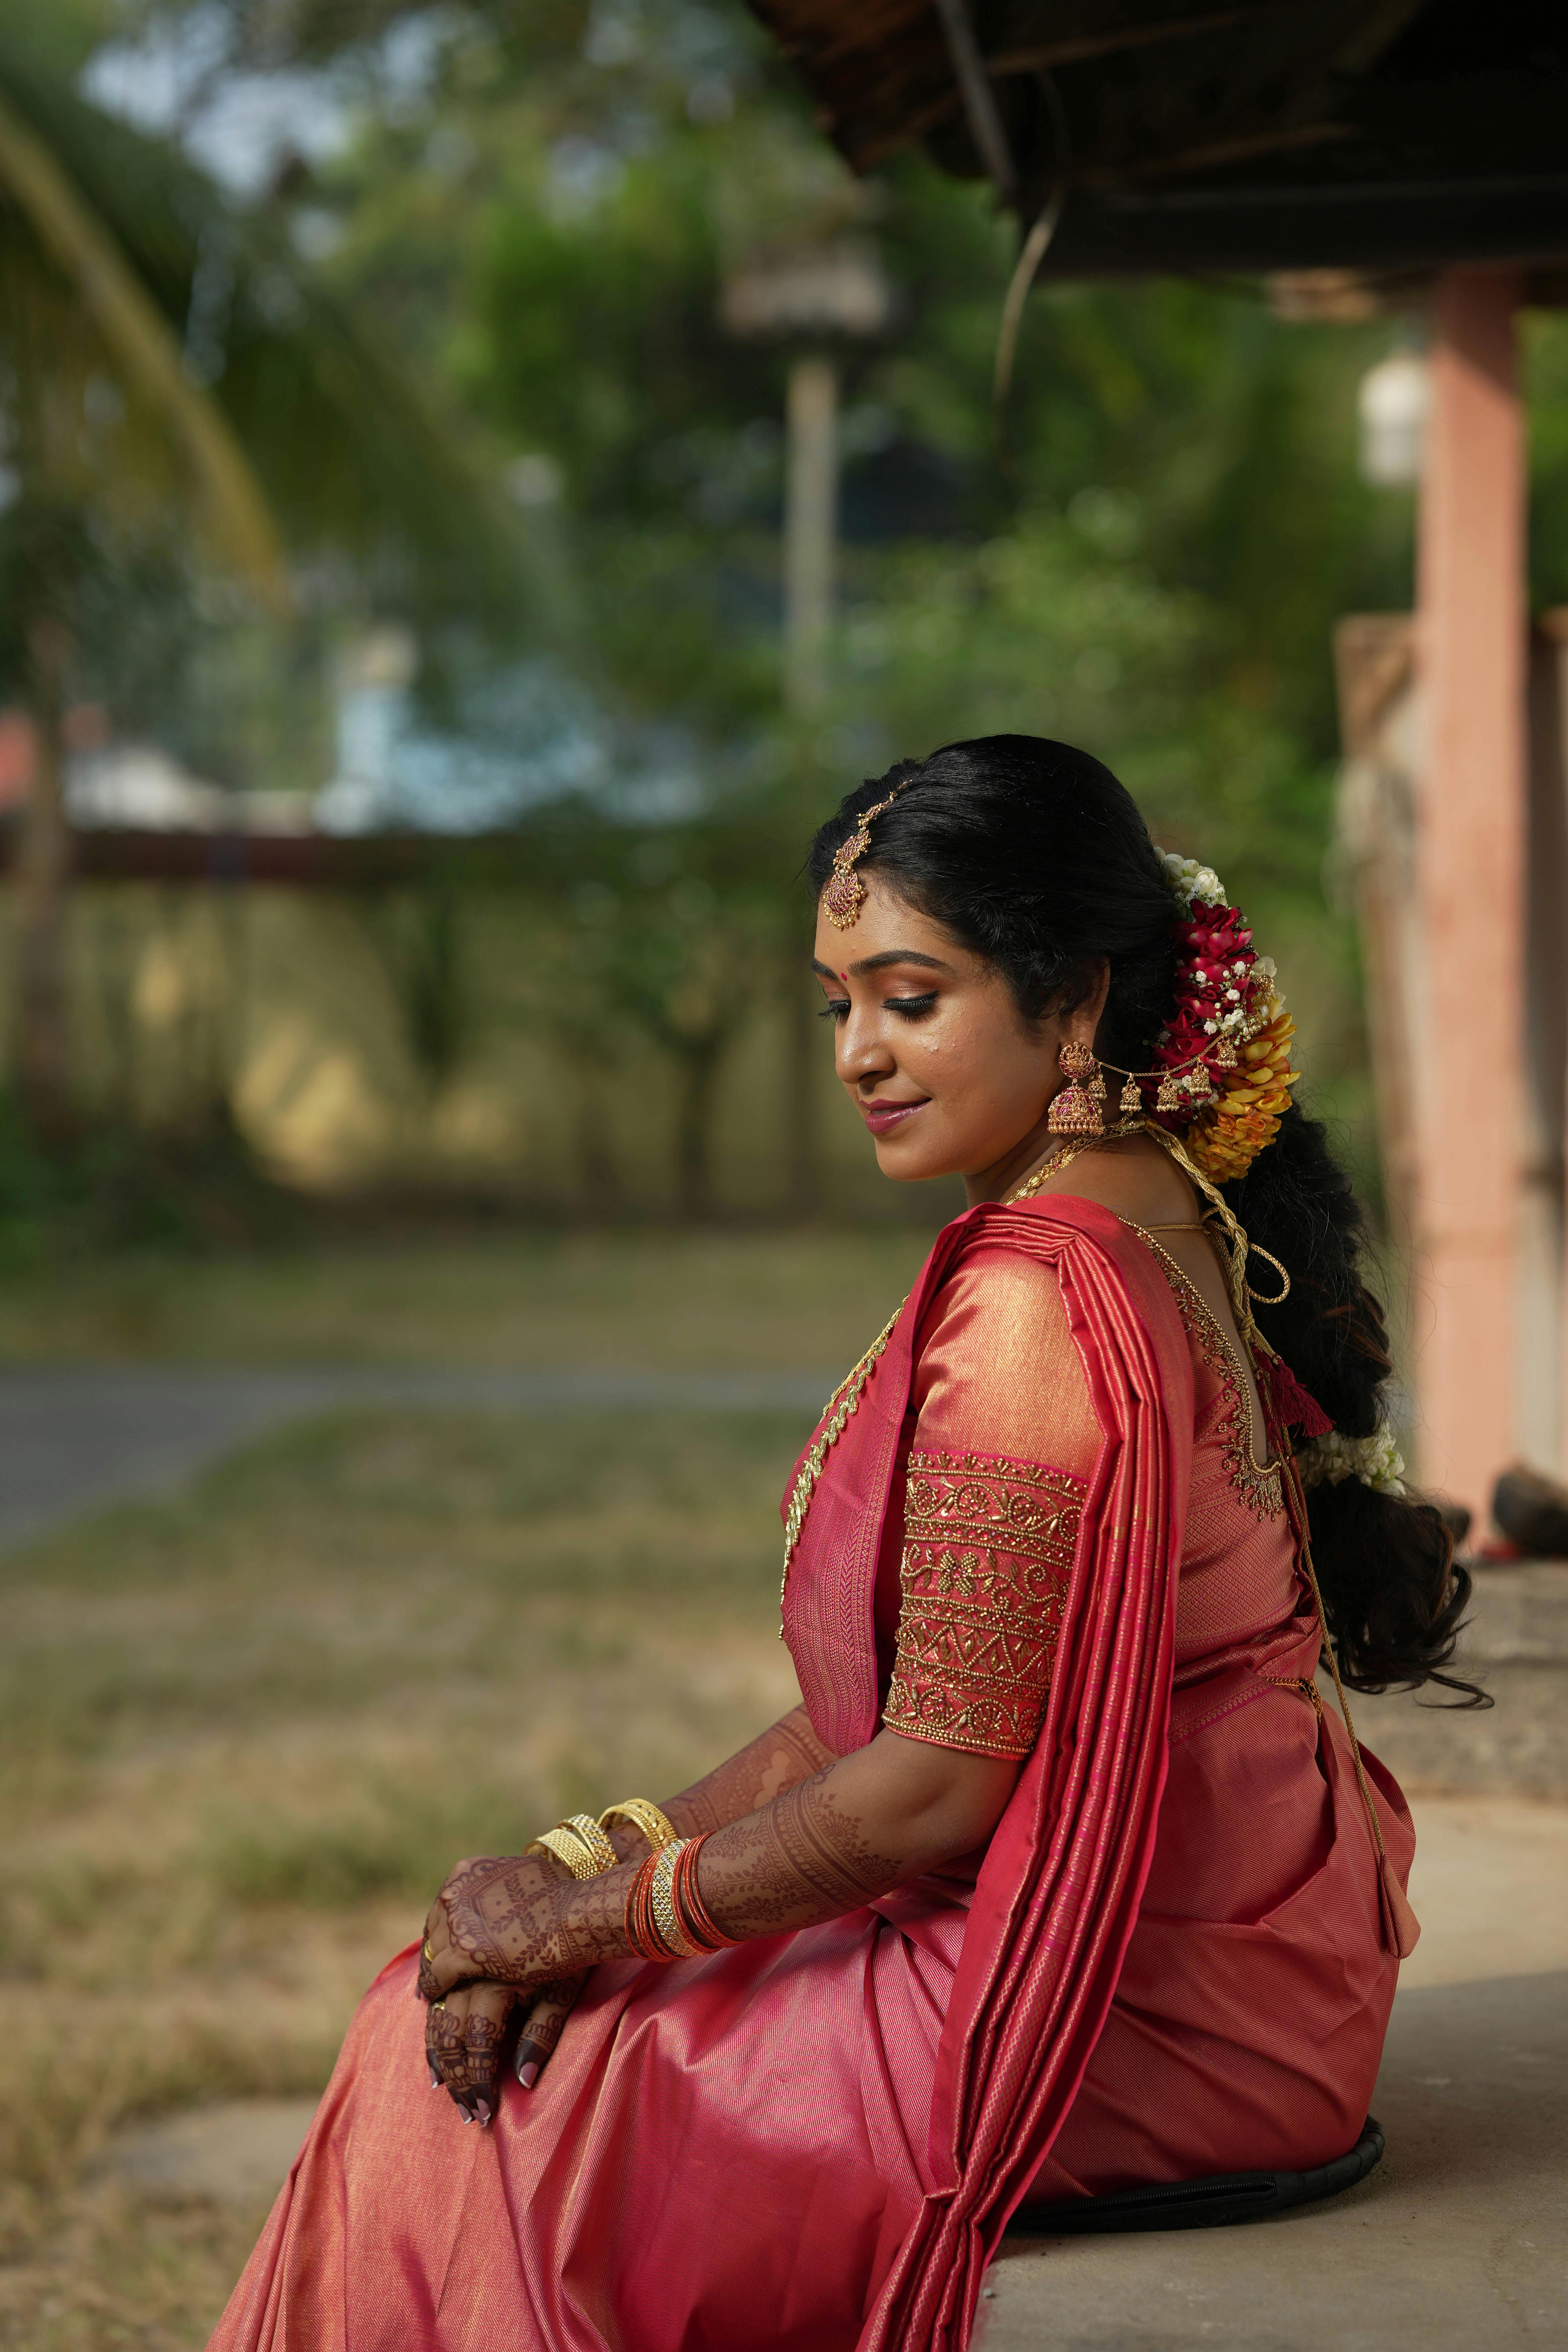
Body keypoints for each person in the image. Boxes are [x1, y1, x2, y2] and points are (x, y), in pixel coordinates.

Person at [208, 737, 1476, 2352]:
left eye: (910, 996)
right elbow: (897, 1709)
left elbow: (932, 1782)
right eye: (837, 1005)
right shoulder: (1159, 1202)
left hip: (1122, 2011)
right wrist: (594, 1856)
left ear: (1074, 1000)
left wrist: (586, 1923)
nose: (857, 1055)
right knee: (505, 1995)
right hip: (1246, 1961)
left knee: (439, 2059)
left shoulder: (1031, 1300)